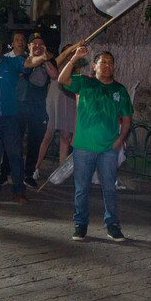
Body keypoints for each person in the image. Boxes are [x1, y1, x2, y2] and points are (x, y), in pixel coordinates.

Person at [58, 47, 132, 242]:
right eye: (103, 62)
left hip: (108, 149)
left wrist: (120, 139)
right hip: (83, 147)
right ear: (94, 66)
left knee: (109, 187)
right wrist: (74, 57)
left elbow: (127, 118)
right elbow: (61, 80)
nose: (107, 66)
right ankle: (80, 224)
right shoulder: (84, 83)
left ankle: (112, 225)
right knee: (82, 188)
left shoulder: (120, 90)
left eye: (110, 63)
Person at [0, 32, 47, 203]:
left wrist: (41, 57)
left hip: (10, 117)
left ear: (1, 47)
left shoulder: (11, 62)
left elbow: (29, 63)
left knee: (15, 154)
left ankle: (18, 191)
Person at [22, 32, 58, 188]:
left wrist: (45, 59)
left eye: (40, 44)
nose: (37, 46)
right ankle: (7, 172)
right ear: (29, 46)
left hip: (38, 108)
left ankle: (29, 173)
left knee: (35, 142)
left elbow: (55, 75)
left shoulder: (48, 61)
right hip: (21, 107)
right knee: (14, 141)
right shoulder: (22, 60)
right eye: (34, 43)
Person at [34, 44, 77, 175]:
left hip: (68, 103)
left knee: (65, 136)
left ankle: (61, 169)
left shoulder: (76, 71)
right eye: (68, 53)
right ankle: (36, 167)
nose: (70, 55)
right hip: (53, 103)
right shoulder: (56, 65)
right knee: (47, 135)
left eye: (72, 53)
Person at [0, 32, 29, 186]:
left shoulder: (29, 60)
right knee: (5, 141)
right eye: (17, 40)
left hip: (22, 104)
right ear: (12, 43)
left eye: (22, 39)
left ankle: (17, 175)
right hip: (7, 104)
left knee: (17, 141)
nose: (20, 42)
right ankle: (4, 172)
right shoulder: (6, 59)